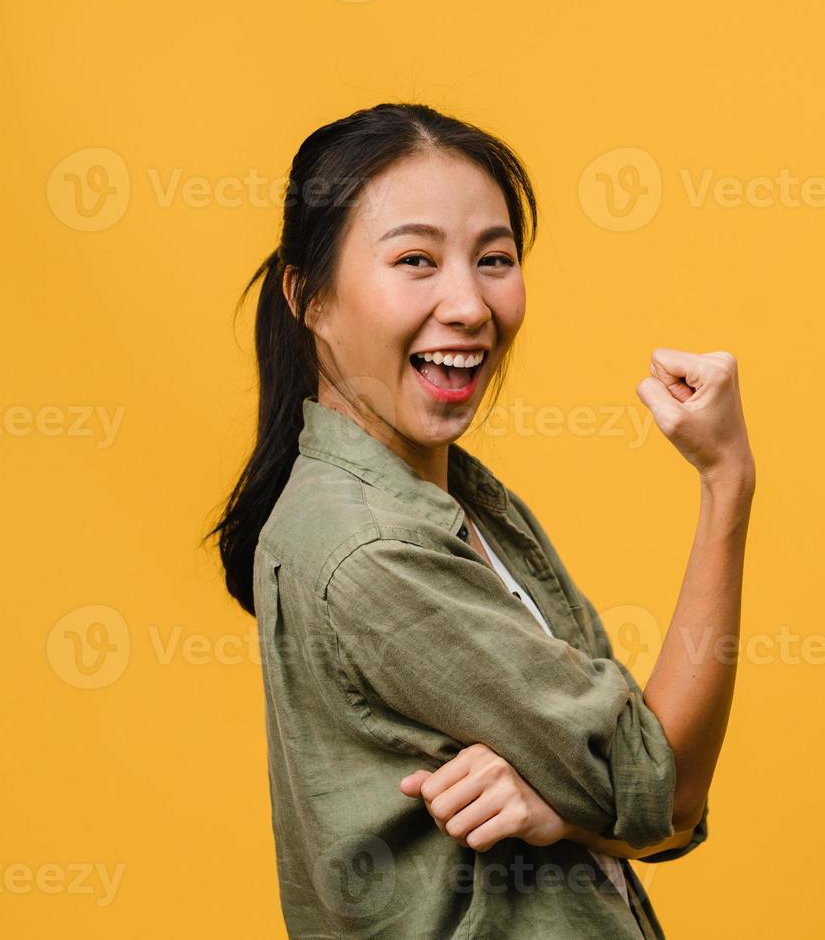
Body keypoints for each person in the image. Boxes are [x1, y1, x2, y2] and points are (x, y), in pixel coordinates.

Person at [208, 103, 755, 938]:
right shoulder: (372, 549)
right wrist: (727, 482)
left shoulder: (458, 499)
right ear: (309, 297)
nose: (468, 304)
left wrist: (566, 809)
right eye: (415, 260)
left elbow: (658, 814)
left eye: (493, 258)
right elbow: (662, 786)